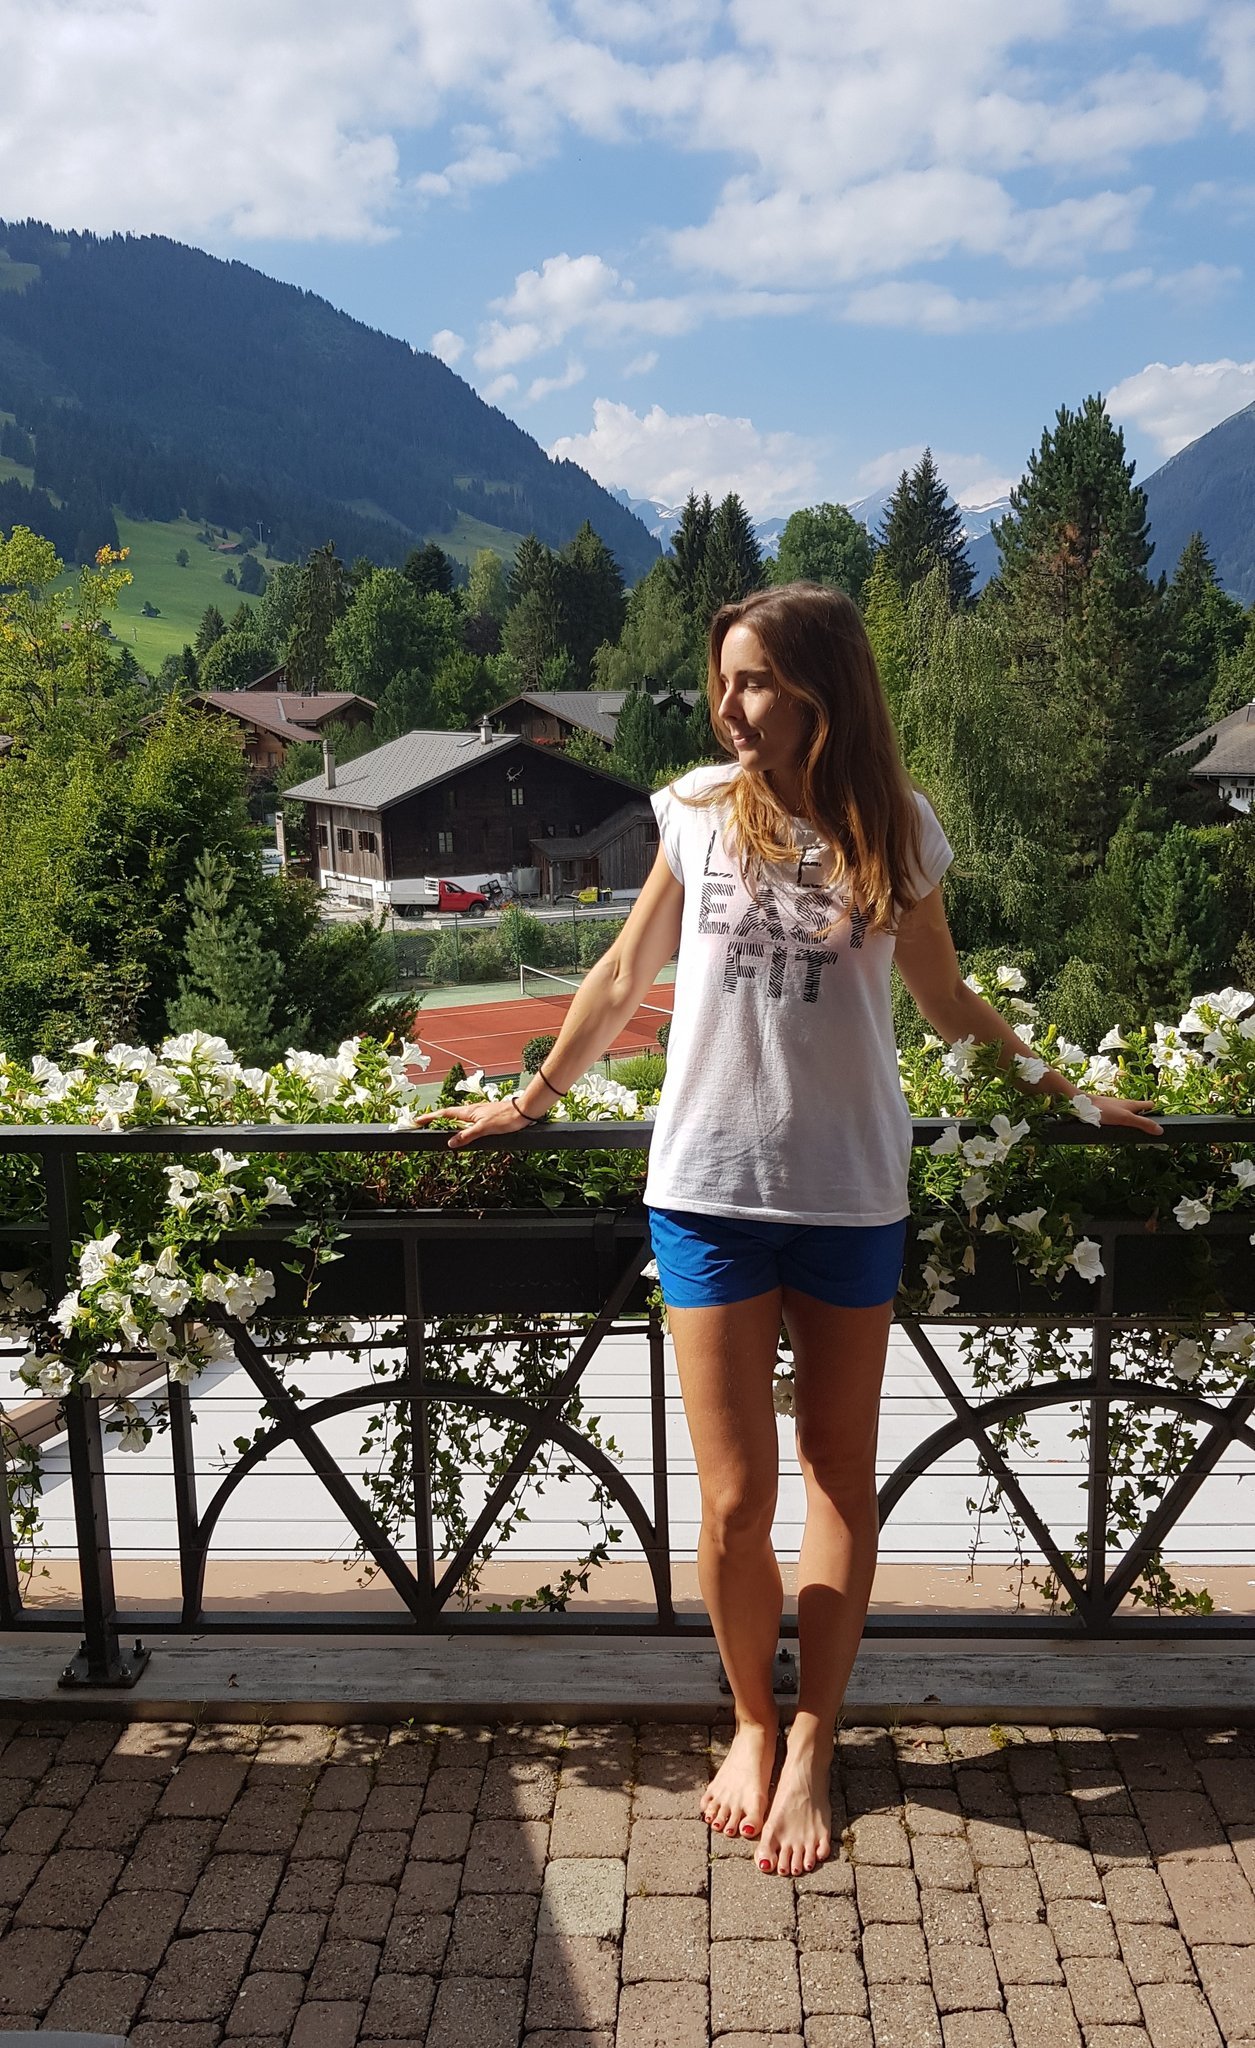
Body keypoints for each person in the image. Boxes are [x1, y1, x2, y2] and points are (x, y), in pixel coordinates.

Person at [417, 582, 1162, 1877]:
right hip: (706, 1189)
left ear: (824, 689)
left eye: (755, 680)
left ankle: (816, 1731)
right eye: (725, 681)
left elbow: (946, 1002)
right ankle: (752, 1723)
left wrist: (1068, 1092)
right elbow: (623, 975)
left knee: (836, 1477)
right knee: (730, 1499)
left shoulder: (896, 827)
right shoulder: (696, 810)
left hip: (850, 1192)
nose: (730, 705)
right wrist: (529, 1101)